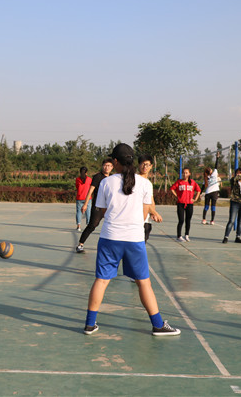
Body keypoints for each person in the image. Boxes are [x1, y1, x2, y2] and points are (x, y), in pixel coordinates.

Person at [83, 143, 180, 337]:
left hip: (110, 238)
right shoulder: (145, 184)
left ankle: (89, 325)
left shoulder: (106, 183)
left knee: (101, 281)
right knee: (143, 283)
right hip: (134, 239)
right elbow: (144, 214)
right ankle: (158, 324)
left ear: (115, 161)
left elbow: (102, 211)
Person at [75, 158, 114, 253]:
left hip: (110, 207)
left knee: (113, 226)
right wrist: (85, 204)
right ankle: (80, 245)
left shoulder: (113, 178)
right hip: (98, 206)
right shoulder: (97, 177)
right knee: (92, 225)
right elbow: (90, 191)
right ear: (102, 166)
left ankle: (113, 247)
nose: (107, 167)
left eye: (109, 165)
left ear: (112, 167)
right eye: (105, 165)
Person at [170, 168, 201, 242]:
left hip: (189, 204)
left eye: (186, 173)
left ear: (189, 174)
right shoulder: (179, 182)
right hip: (180, 203)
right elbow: (172, 188)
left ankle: (187, 235)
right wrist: (177, 195)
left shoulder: (192, 182)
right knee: (181, 220)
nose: (184, 174)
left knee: (188, 220)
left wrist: (195, 199)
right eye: (183, 173)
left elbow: (198, 190)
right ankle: (179, 236)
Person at [137, 154, 162, 242]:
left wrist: (152, 214)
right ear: (139, 165)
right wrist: (155, 213)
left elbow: (151, 201)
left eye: (147, 164)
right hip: (136, 221)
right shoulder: (136, 180)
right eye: (143, 164)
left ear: (151, 166)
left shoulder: (148, 183)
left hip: (146, 221)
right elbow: (141, 201)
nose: (145, 167)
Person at [222, 168, 241, 244]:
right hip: (235, 202)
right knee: (232, 220)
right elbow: (235, 178)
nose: (239, 174)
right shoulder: (233, 180)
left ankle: (238, 237)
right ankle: (226, 237)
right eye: (238, 173)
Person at [201, 152, 221, 225]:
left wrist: (200, 193)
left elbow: (203, 187)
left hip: (208, 193)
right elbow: (216, 165)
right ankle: (212, 221)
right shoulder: (215, 173)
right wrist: (217, 157)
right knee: (213, 207)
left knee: (206, 207)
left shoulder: (206, 178)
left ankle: (204, 219)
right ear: (210, 171)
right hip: (215, 192)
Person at [75, 166, 92, 231]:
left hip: (79, 197)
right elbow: (91, 188)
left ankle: (78, 226)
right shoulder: (89, 179)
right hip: (88, 198)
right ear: (86, 173)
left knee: (79, 212)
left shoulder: (77, 179)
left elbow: (77, 187)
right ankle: (88, 225)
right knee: (88, 212)